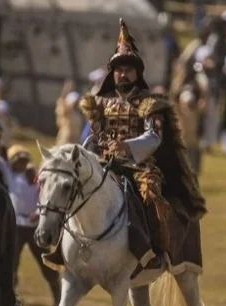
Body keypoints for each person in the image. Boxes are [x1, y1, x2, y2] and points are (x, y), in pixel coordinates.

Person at [77, 19, 206, 267]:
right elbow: (92, 136)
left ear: (137, 73)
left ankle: (157, 250)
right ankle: (66, 243)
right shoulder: (100, 104)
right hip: (104, 163)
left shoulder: (149, 103)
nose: (123, 74)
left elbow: (154, 137)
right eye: (118, 70)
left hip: (139, 166)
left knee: (151, 197)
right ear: (112, 74)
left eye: (128, 69)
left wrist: (127, 146)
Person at [6, 144, 60, 306]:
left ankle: (57, 294)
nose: (22, 163)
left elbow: (44, 196)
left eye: (24, 160)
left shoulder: (36, 178)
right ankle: (10, 296)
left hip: (35, 225)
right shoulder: (10, 176)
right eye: (18, 160)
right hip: (17, 225)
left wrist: (38, 212)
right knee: (12, 261)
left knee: (45, 261)